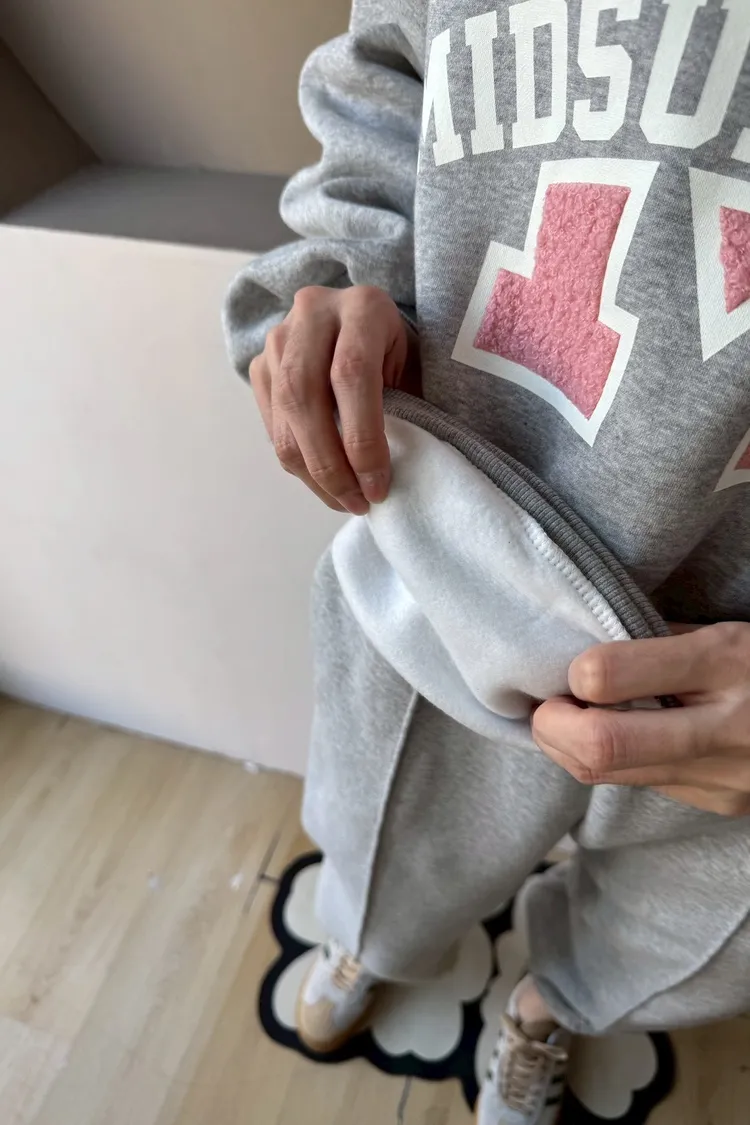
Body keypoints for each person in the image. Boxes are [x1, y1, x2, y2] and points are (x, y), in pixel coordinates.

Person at [224, 2, 750, 1121]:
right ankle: (374, 939)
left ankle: (551, 1006)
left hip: (732, 635)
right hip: (453, 537)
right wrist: (340, 281)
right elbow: (385, 83)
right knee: (392, 820)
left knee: (684, 917)